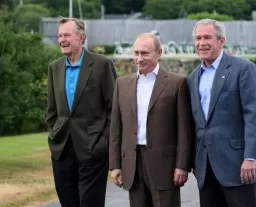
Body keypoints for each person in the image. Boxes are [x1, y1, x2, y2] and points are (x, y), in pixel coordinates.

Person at [109, 33, 193, 207]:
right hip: (132, 162)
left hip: (165, 165)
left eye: (145, 53)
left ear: (159, 53)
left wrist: (182, 165)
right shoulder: (121, 84)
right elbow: (116, 129)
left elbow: (184, 129)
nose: (139, 58)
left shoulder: (177, 83)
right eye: (136, 53)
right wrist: (115, 165)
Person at [187, 19, 256, 207]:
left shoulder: (244, 69)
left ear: (222, 41)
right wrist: (193, 162)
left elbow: (254, 116)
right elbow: (195, 123)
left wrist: (251, 157)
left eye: (207, 37)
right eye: (198, 38)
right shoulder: (193, 78)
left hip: (237, 165)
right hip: (205, 167)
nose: (201, 43)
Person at [46, 17, 117, 207]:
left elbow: (114, 109)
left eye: (67, 35)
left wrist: (103, 142)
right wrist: (54, 135)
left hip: (93, 149)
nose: (62, 39)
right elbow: (52, 112)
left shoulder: (102, 64)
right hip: (61, 149)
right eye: (60, 35)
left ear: (81, 37)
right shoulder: (54, 68)